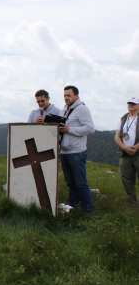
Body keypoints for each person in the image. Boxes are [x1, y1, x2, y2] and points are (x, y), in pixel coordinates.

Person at [59, 86, 95, 214]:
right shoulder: (65, 110)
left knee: (80, 183)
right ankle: (73, 206)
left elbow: (90, 129)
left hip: (77, 152)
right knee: (70, 183)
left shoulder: (82, 109)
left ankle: (87, 209)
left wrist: (70, 129)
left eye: (69, 95)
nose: (66, 98)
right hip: (64, 151)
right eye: (64, 95)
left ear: (76, 96)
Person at [114, 96, 139, 205]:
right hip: (125, 154)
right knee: (127, 178)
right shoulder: (123, 118)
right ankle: (132, 202)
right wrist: (124, 148)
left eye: (133, 103)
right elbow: (117, 136)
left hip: (137, 153)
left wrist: (136, 147)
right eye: (129, 103)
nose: (130, 105)